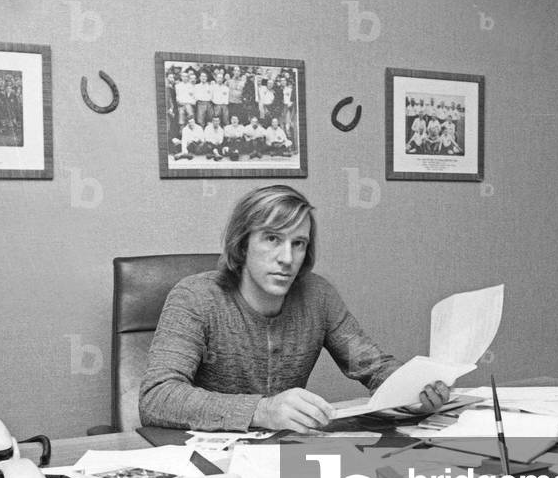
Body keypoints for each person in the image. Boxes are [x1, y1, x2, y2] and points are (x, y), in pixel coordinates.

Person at [139, 185, 449, 432]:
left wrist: (413, 392)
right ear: (243, 244)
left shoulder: (318, 295)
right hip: (206, 469)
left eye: (298, 243)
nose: (287, 258)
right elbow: (157, 397)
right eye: (272, 238)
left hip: (285, 458)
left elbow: (373, 365)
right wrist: (263, 409)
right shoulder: (196, 296)